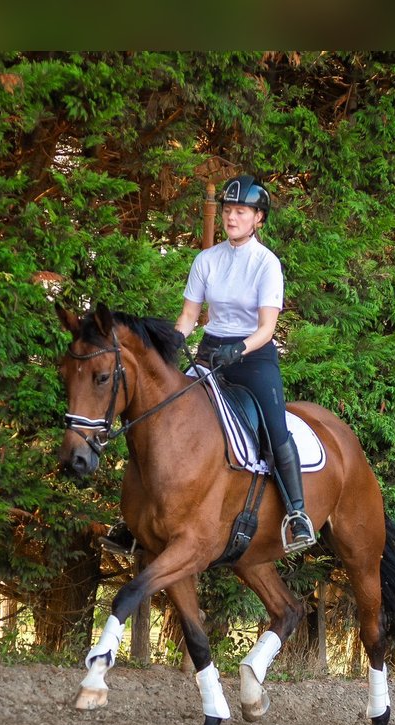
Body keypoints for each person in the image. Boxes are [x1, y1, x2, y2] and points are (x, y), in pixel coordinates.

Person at [101, 174, 315, 556]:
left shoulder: (267, 265)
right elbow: (188, 316)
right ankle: (136, 519)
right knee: (163, 417)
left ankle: (297, 514)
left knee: (274, 426)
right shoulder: (206, 260)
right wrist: (173, 341)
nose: (232, 218)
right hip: (210, 354)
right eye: (229, 210)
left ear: (258, 219)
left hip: (253, 358)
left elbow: (267, 328)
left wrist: (240, 348)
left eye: (241, 211)